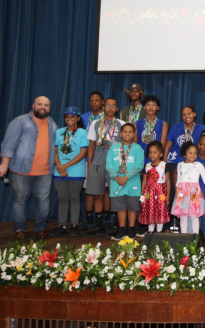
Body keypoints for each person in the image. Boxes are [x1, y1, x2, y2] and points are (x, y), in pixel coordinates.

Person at [0, 96, 58, 240]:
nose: (42, 107)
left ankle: (41, 228)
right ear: (33, 105)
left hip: (45, 172)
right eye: (40, 104)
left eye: (46, 105)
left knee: (44, 201)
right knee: (20, 200)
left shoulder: (52, 124)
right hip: (21, 171)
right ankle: (19, 228)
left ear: (49, 108)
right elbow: (8, 145)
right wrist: (4, 164)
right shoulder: (20, 122)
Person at [84, 98, 125, 236]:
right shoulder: (95, 124)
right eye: (107, 105)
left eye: (113, 106)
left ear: (117, 109)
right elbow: (91, 145)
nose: (110, 108)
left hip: (115, 165)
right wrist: (90, 165)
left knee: (115, 195)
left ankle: (112, 223)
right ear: (103, 107)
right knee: (98, 195)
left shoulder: (122, 124)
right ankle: (99, 225)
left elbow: (126, 145)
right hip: (98, 163)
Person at [50, 107, 88, 238]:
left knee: (74, 199)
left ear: (78, 118)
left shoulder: (83, 133)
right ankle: (61, 226)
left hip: (76, 172)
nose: (69, 119)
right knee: (62, 199)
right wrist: (60, 166)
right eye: (67, 117)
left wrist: (65, 166)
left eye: (72, 117)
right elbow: (54, 151)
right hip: (59, 171)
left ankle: (75, 226)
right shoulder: (59, 132)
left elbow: (83, 153)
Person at [106, 123, 144, 240]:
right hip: (116, 182)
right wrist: (117, 178)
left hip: (132, 182)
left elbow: (139, 166)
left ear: (134, 134)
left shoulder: (137, 148)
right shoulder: (114, 148)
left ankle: (131, 229)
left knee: (132, 206)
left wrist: (126, 177)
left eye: (130, 132)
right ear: (120, 134)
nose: (127, 134)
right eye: (125, 131)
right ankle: (122, 229)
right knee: (120, 206)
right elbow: (109, 165)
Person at [172, 141, 205, 235]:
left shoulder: (198, 165)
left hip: (194, 193)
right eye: (190, 153)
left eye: (195, 153)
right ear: (184, 154)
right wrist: (176, 192)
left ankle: (195, 237)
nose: (193, 155)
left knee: (194, 216)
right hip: (181, 193)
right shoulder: (180, 165)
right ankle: (183, 237)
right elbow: (178, 180)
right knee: (183, 216)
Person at [139, 141, 171, 235]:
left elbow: (168, 181)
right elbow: (144, 182)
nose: (152, 154)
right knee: (150, 212)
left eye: (155, 152)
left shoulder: (164, 165)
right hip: (149, 194)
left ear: (161, 154)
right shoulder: (147, 166)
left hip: (161, 193)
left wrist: (168, 196)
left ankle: (158, 234)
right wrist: (142, 197)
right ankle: (150, 233)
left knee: (160, 212)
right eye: (150, 152)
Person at [135, 95, 168, 164]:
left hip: (156, 161)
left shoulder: (163, 124)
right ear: (144, 107)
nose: (151, 107)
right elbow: (135, 145)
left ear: (158, 108)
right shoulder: (136, 124)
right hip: (140, 160)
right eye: (148, 105)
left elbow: (162, 145)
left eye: (154, 105)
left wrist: (161, 163)